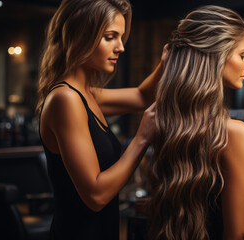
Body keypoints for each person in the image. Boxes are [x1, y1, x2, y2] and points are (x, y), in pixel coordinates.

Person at [36, 0, 165, 239]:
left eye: (121, 37)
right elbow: (96, 196)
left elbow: (142, 96)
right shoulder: (65, 98)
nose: (121, 47)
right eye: (110, 37)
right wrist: (142, 138)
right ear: (81, 36)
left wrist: (167, 60)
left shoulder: (86, 95)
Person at [146, 5, 244, 240]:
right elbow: (240, 234)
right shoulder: (237, 133)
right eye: (243, 55)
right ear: (217, 54)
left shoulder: (169, 126)